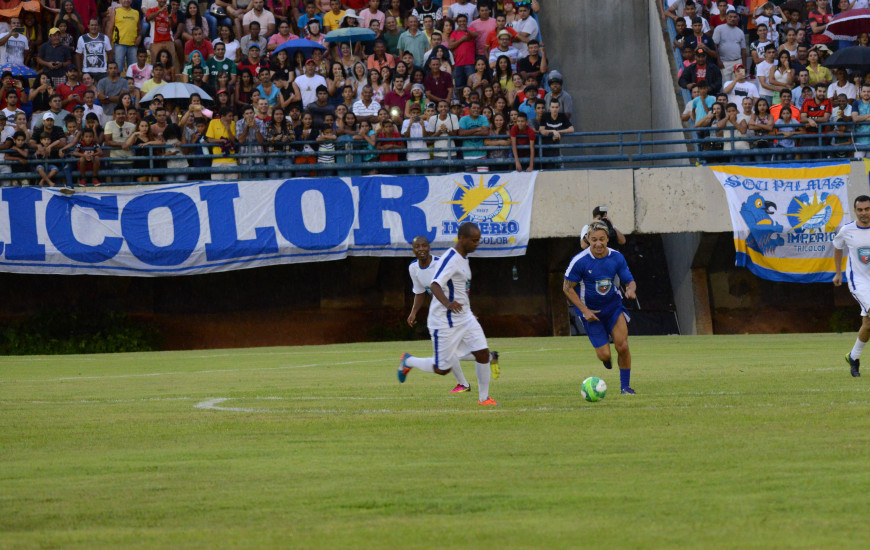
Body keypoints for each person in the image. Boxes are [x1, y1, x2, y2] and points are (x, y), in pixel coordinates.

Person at [398, 222, 499, 406]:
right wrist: (447, 304)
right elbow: (434, 285)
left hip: (464, 316)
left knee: (483, 354)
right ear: (462, 239)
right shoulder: (449, 259)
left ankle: (484, 398)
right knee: (442, 368)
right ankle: (409, 361)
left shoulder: (462, 258)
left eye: (478, 240)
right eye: (474, 241)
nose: (477, 244)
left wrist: (467, 310)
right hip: (444, 320)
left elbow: (460, 289)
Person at [563, 219, 638, 395]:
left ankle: (625, 387)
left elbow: (629, 280)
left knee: (623, 346)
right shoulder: (580, 261)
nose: (598, 243)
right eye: (594, 239)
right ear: (588, 239)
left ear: (607, 240)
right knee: (604, 355)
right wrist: (584, 311)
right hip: (591, 313)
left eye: (602, 239)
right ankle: (606, 357)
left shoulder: (616, 257)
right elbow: (567, 288)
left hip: (613, 307)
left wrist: (631, 290)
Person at [833, 195, 870, 377]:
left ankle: (853, 357)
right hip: (859, 281)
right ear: (855, 211)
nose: (864, 213)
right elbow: (838, 247)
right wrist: (839, 272)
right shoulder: (847, 230)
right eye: (860, 210)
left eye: (867, 209)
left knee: (868, 324)